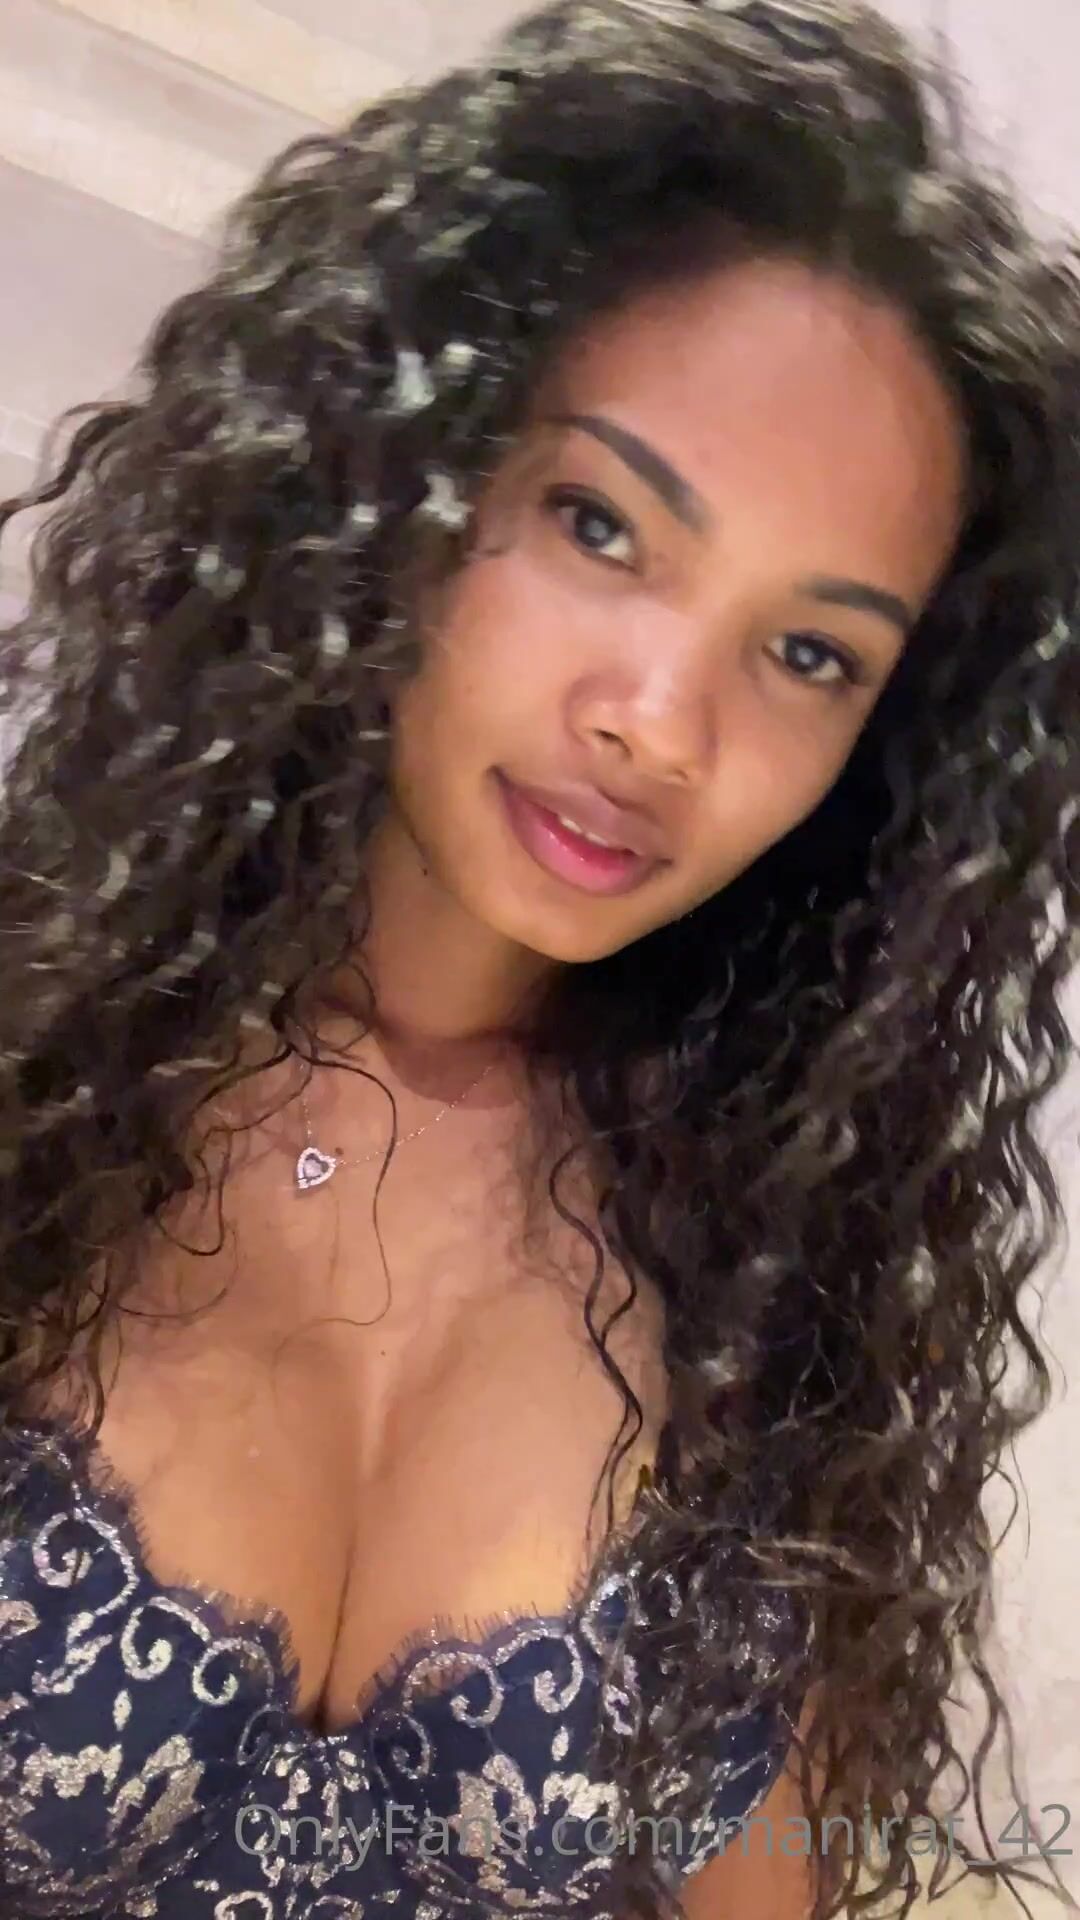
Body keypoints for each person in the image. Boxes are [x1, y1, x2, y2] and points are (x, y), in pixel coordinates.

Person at [0, 0, 1077, 1915]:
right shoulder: (32, 1057)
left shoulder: (789, 1271)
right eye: (600, 523)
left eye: (809, 653)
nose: (661, 725)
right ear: (402, 478)